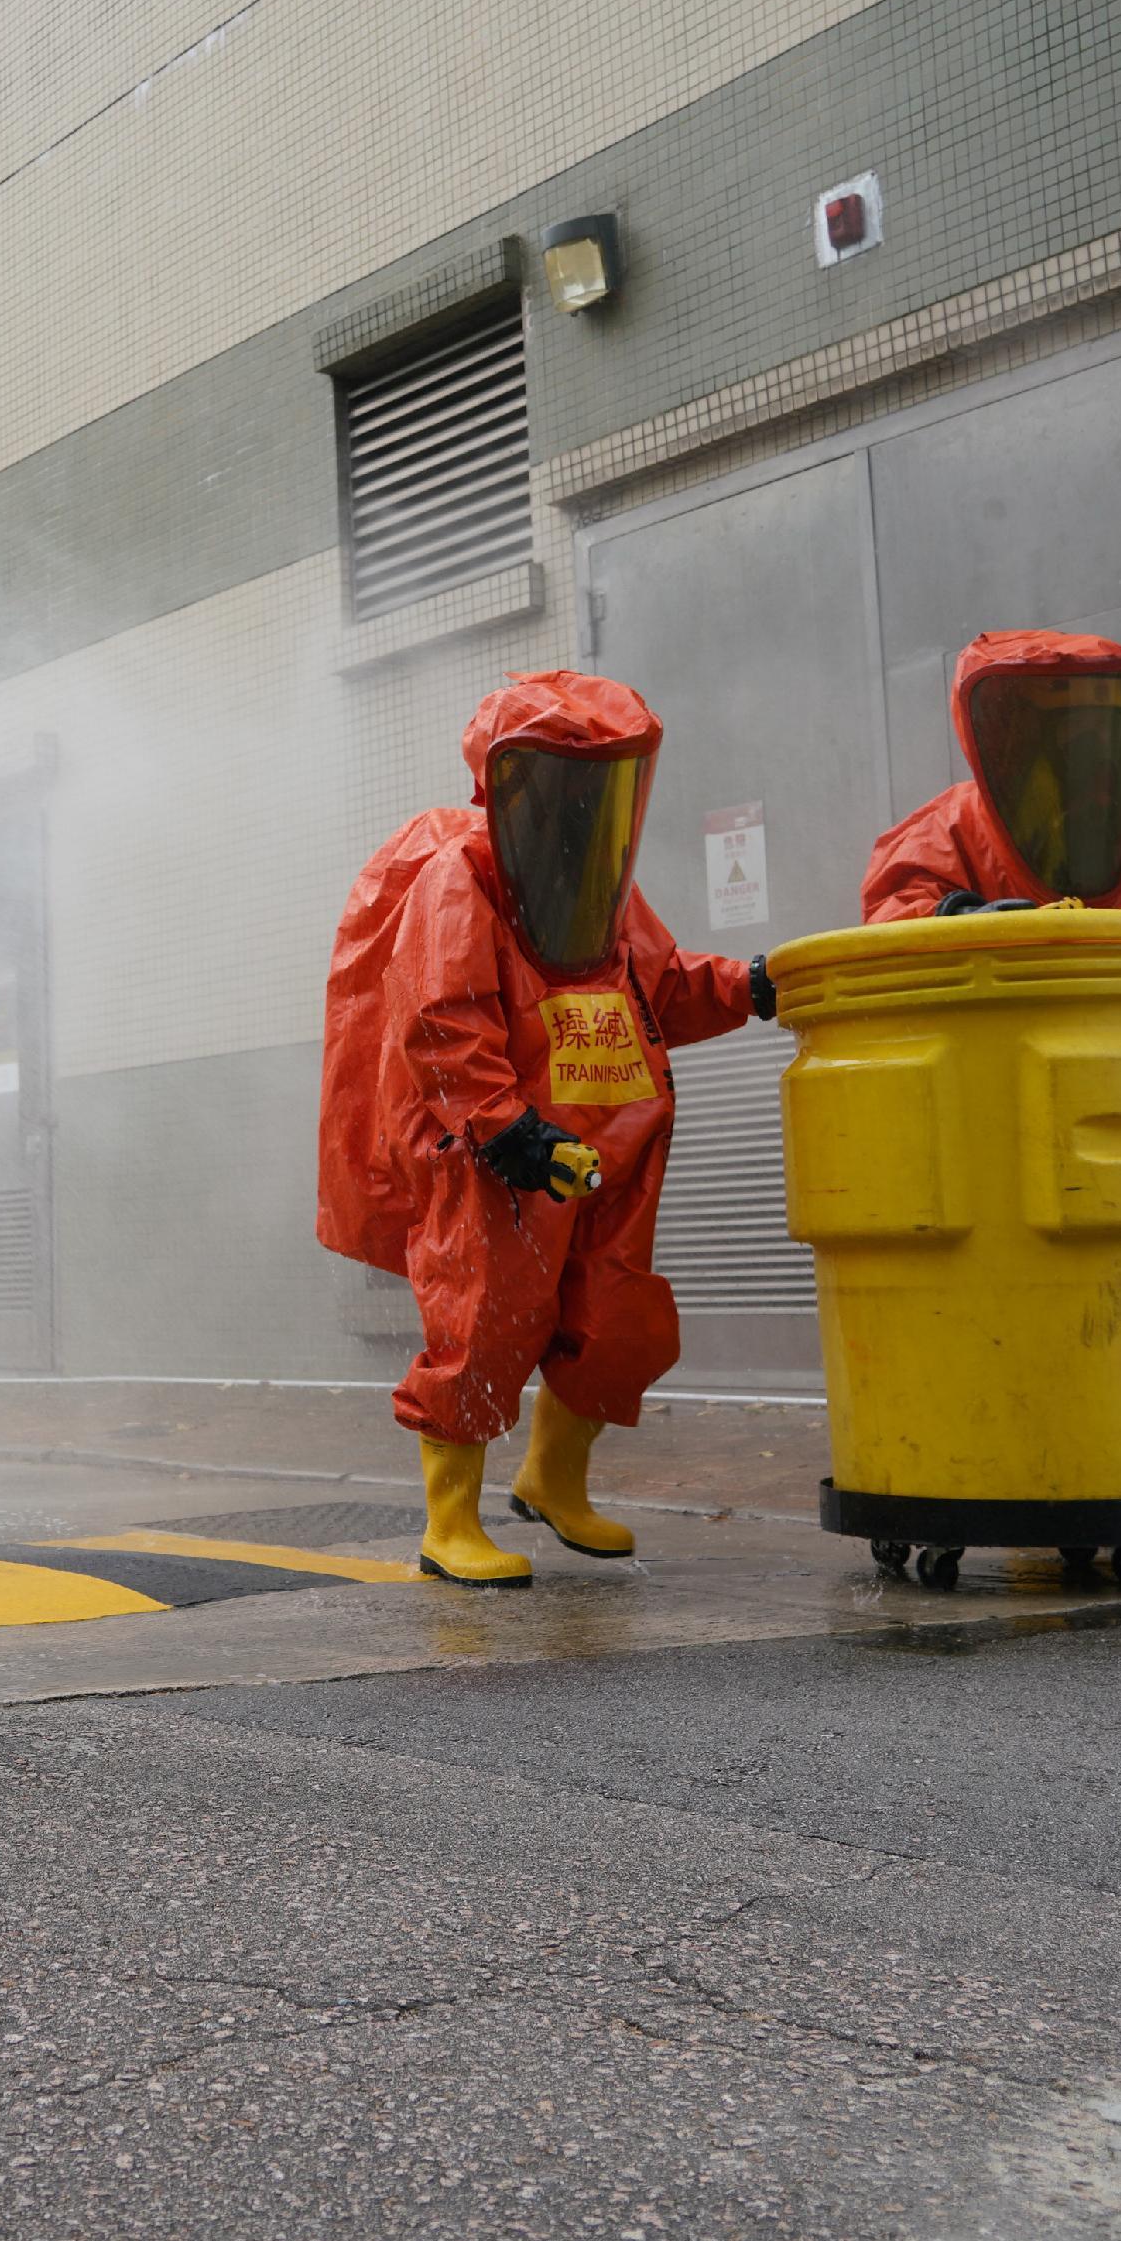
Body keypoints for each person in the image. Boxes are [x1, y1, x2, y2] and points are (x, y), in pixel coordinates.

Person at [317, 674, 773, 1589]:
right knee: (482, 1320)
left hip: (602, 1149)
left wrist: (753, 985)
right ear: (509, 784)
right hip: (493, 1153)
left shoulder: (600, 891)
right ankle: (451, 1523)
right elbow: (441, 1019)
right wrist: (509, 1132)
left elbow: (664, 983)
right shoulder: (462, 880)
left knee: (614, 1320)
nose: (582, 806)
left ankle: (553, 1478)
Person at [860, 630, 1121, 942]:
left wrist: (1111, 949)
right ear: (1026, 732)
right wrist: (961, 920)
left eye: (1102, 725)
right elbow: (893, 914)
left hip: (1115, 1002)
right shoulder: (952, 824)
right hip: (998, 1003)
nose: (1093, 742)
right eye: (1074, 724)